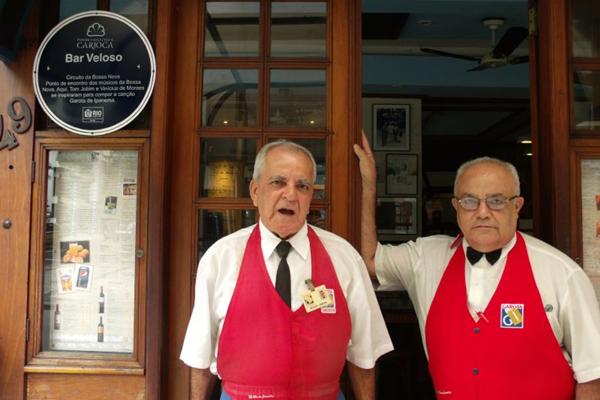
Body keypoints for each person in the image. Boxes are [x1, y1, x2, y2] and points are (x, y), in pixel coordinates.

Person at [353, 132, 600, 399]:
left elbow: (592, 376)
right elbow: (368, 261)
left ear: (517, 206)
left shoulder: (561, 273)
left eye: (496, 201)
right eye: (470, 201)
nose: (482, 212)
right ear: (456, 207)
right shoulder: (426, 258)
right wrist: (369, 186)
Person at [181, 140, 393, 400]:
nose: (291, 194)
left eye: (302, 186)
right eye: (278, 182)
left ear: (310, 197)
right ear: (255, 191)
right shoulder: (221, 258)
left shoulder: (344, 257)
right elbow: (200, 360)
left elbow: (365, 356)